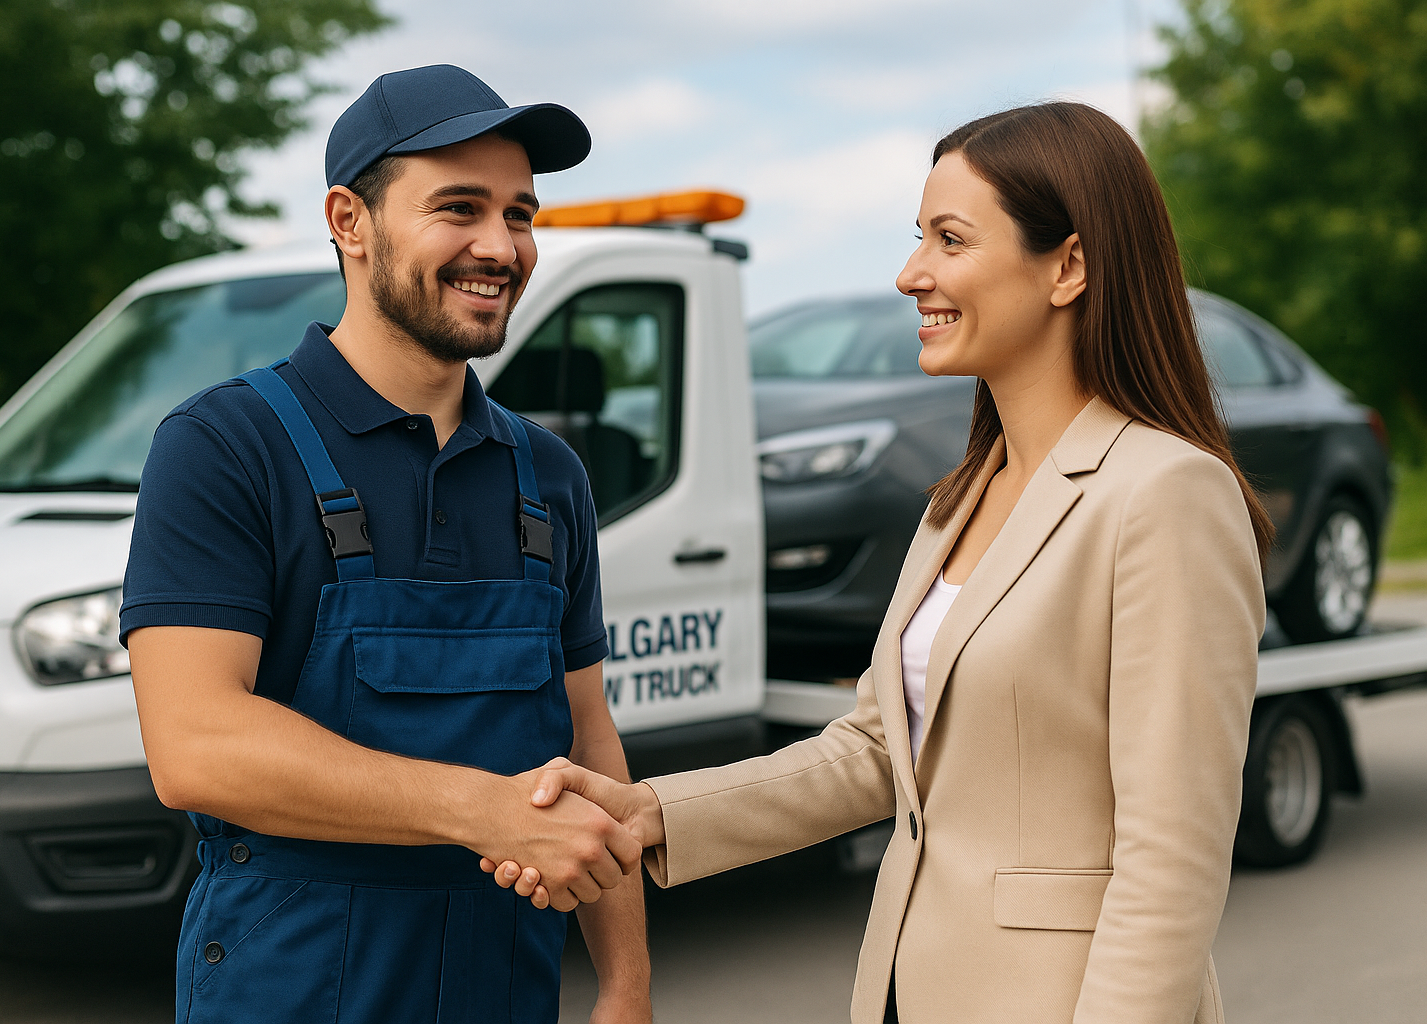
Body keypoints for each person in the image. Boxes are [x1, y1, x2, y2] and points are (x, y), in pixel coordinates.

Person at [489, 102, 1272, 1024]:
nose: (912, 274)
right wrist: (649, 812)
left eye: (950, 238)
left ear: (1068, 266)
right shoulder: (962, 498)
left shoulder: (1166, 493)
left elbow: (1169, 862)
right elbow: (873, 750)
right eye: (918, 238)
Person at [123, 65, 651, 1024]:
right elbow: (196, 747)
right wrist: (482, 812)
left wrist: (624, 985)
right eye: (459, 208)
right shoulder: (224, 447)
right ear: (349, 220)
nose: (502, 247)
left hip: (504, 987)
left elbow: (587, 736)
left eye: (520, 214)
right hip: (290, 984)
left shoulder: (549, 476)